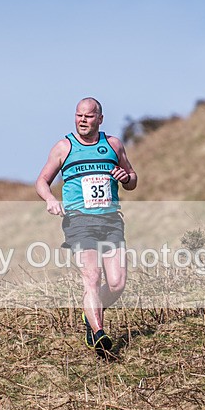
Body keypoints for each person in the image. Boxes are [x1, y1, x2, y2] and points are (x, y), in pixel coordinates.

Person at [36, 97, 138, 358]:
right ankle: (98, 333)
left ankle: (90, 313)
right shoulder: (64, 147)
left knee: (117, 284)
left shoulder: (113, 145)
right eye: (79, 115)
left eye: (89, 116)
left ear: (100, 119)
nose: (82, 120)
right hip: (79, 221)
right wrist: (50, 200)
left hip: (111, 220)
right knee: (92, 277)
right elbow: (42, 181)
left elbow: (132, 178)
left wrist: (125, 177)